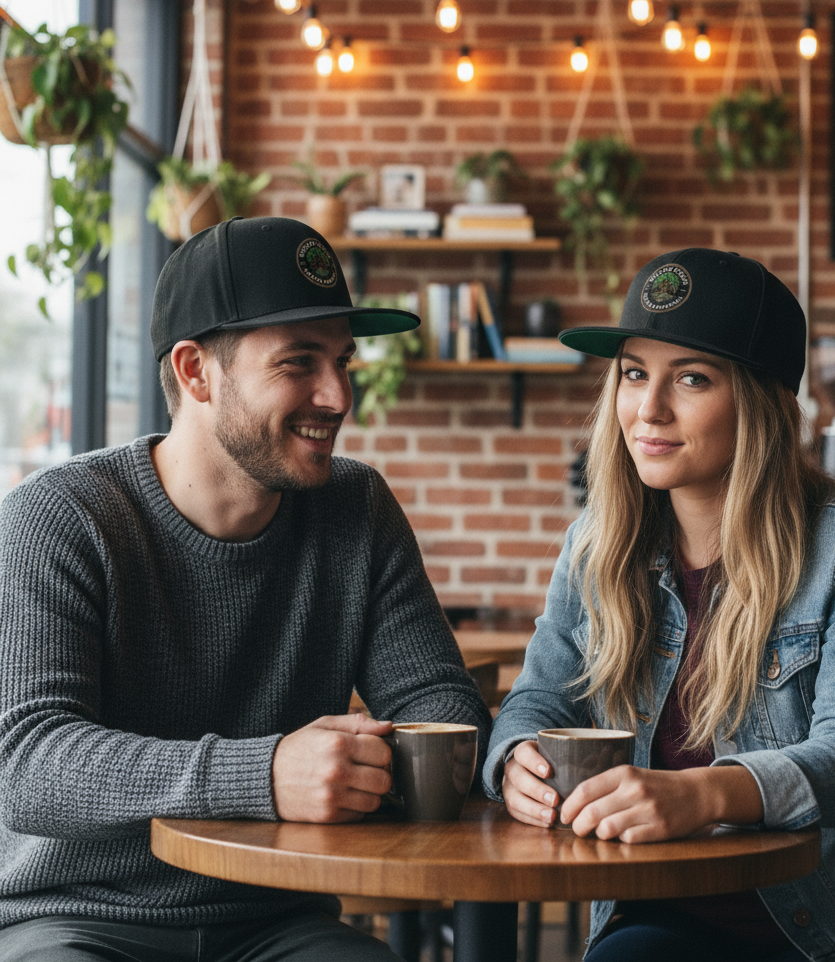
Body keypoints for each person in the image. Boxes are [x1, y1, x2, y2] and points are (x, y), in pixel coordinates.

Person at [0, 217, 491, 961]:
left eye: (342, 361)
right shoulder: (63, 515)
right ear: (196, 371)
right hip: (74, 919)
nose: (336, 396)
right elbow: (31, 767)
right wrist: (262, 773)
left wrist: (361, 768)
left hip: (278, 920)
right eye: (299, 363)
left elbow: (442, 706)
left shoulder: (355, 508)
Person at [483, 249, 835, 962]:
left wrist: (702, 796)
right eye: (635, 373)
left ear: (760, 402)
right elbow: (539, 699)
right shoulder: (595, 544)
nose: (649, 409)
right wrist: (516, 756)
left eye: (692, 379)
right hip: (664, 927)